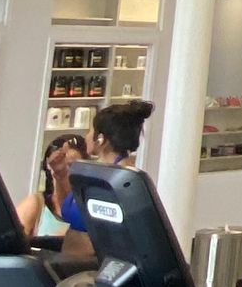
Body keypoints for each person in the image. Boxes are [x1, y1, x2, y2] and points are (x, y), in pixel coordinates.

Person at [25, 99, 155, 264]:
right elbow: (73, 211)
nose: (86, 136)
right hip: (69, 262)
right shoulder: (101, 175)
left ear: (101, 139)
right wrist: (60, 174)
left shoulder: (117, 182)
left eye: (90, 131)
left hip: (85, 269)